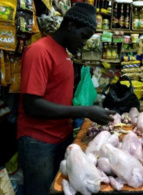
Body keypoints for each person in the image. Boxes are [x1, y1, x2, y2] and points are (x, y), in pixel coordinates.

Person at [17, 2, 116, 195]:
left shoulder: (64, 54)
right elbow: (32, 104)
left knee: (59, 189)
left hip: (61, 136)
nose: (84, 43)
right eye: (83, 36)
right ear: (70, 26)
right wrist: (85, 111)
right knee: (40, 191)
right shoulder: (39, 51)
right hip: (39, 141)